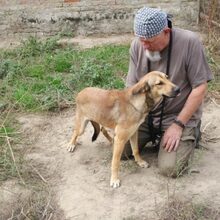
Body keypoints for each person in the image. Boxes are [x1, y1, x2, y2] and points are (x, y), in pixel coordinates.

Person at [122, 7, 213, 177]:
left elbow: (200, 87)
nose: (144, 46)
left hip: (176, 117)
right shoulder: (138, 45)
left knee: (170, 169)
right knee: (120, 151)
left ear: (166, 31)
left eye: (149, 42)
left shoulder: (189, 42)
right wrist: (125, 118)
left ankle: (191, 134)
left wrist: (178, 125)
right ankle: (156, 138)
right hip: (145, 116)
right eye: (141, 40)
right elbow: (131, 88)